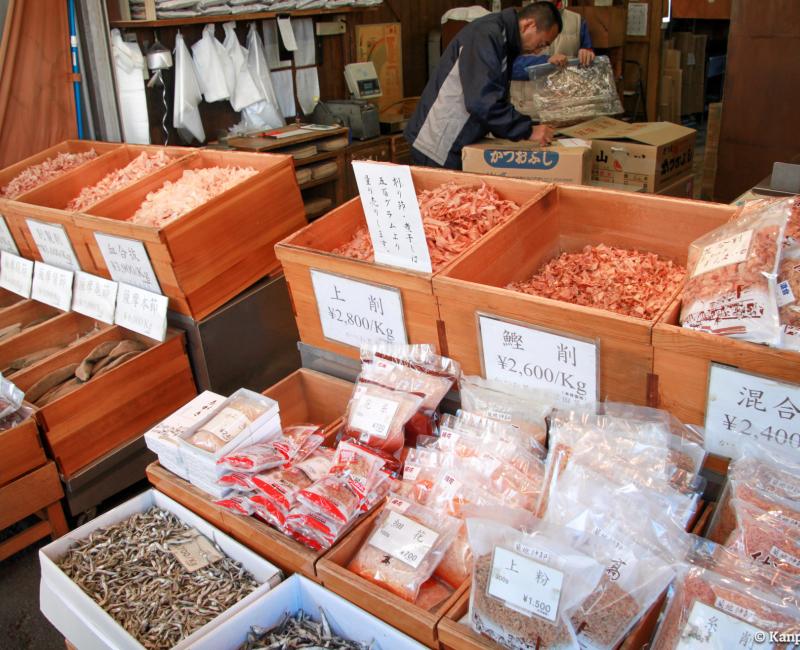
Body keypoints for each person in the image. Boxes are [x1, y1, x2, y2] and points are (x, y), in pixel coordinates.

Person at [404, 2, 563, 170]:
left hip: (456, 140)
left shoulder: (503, 38)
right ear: (528, 25)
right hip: (438, 144)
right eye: (542, 44)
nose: (539, 51)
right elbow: (482, 101)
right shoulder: (487, 35)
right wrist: (528, 130)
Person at [512, 0, 595, 79]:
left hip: (566, 90)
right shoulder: (521, 19)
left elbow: (589, 63)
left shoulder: (578, 20)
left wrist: (587, 54)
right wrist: (546, 61)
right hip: (529, 90)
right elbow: (510, 65)